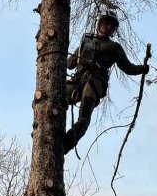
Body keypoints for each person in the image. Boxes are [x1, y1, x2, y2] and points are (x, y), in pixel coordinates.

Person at [64, 9, 149, 153]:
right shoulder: (86, 41)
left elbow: (128, 67)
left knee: (85, 111)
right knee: (58, 94)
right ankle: (49, 128)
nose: (108, 27)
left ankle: (68, 141)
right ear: (99, 23)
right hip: (77, 80)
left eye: (111, 26)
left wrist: (142, 69)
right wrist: (72, 56)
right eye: (105, 24)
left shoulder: (114, 47)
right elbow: (69, 64)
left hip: (95, 81)